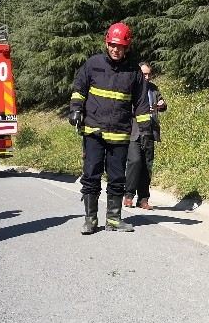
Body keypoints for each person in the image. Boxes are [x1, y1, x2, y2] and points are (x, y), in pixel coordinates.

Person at [69, 22, 151, 235]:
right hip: (94, 131)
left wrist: (145, 130)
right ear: (107, 43)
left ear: (127, 47)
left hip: (120, 133)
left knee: (117, 177)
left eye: (120, 46)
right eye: (113, 45)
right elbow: (79, 89)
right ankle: (90, 219)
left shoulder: (134, 72)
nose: (116, 49)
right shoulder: (93, 64)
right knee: (91, 175)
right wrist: (75, 110)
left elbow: (141, 103)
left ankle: (113, 218)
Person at [123, 62, 167, 210]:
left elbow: (163, 105)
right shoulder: (131, 88)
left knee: (147, 166)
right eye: (144, 74)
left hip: (150, 131)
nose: (146, 77)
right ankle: (128, 195)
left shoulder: (153, 88)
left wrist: (161, 104)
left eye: (148, 74)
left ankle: (143, 199)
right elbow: (124, 108)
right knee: (135, 162)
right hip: (135, 131)